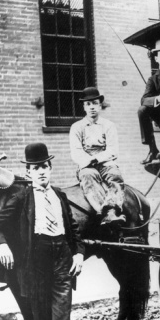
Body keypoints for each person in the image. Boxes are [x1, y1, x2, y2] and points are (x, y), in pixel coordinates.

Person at [0, 143, 85, 320]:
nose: (41, 171)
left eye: (44, 167)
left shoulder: (59, 195)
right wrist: (1, 245)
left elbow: (74, 232)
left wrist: (79, 254)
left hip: (62, 260)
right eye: (36, 168)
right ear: (29, 172)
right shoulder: (22, 198)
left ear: (50, 169)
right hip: (36, 262)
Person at [69, 87, 126, 225]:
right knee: (88, 177)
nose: (92, 107)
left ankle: (112, 210)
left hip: (105, 162)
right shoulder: (77, 127)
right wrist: (89, 161)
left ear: (100, 105)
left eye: (95, 103)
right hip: (86, 164)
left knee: (115, 175)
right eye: (88, 104)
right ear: (84, 107)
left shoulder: (108, 125)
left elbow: (113, 150)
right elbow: (76, 152)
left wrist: (97, 159)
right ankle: (102, 212)